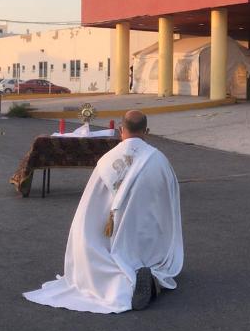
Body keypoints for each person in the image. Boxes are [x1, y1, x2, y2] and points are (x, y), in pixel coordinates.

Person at [23, 110, 183, 313]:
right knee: (152, 235)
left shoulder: (107, 161)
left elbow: (89, 208)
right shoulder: (159, 160)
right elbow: (169, 206)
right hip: (147, 240)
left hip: (111, 238)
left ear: (120, 130)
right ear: (147, 131)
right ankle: (150, 275)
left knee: (99, 250)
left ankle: (128, 277)